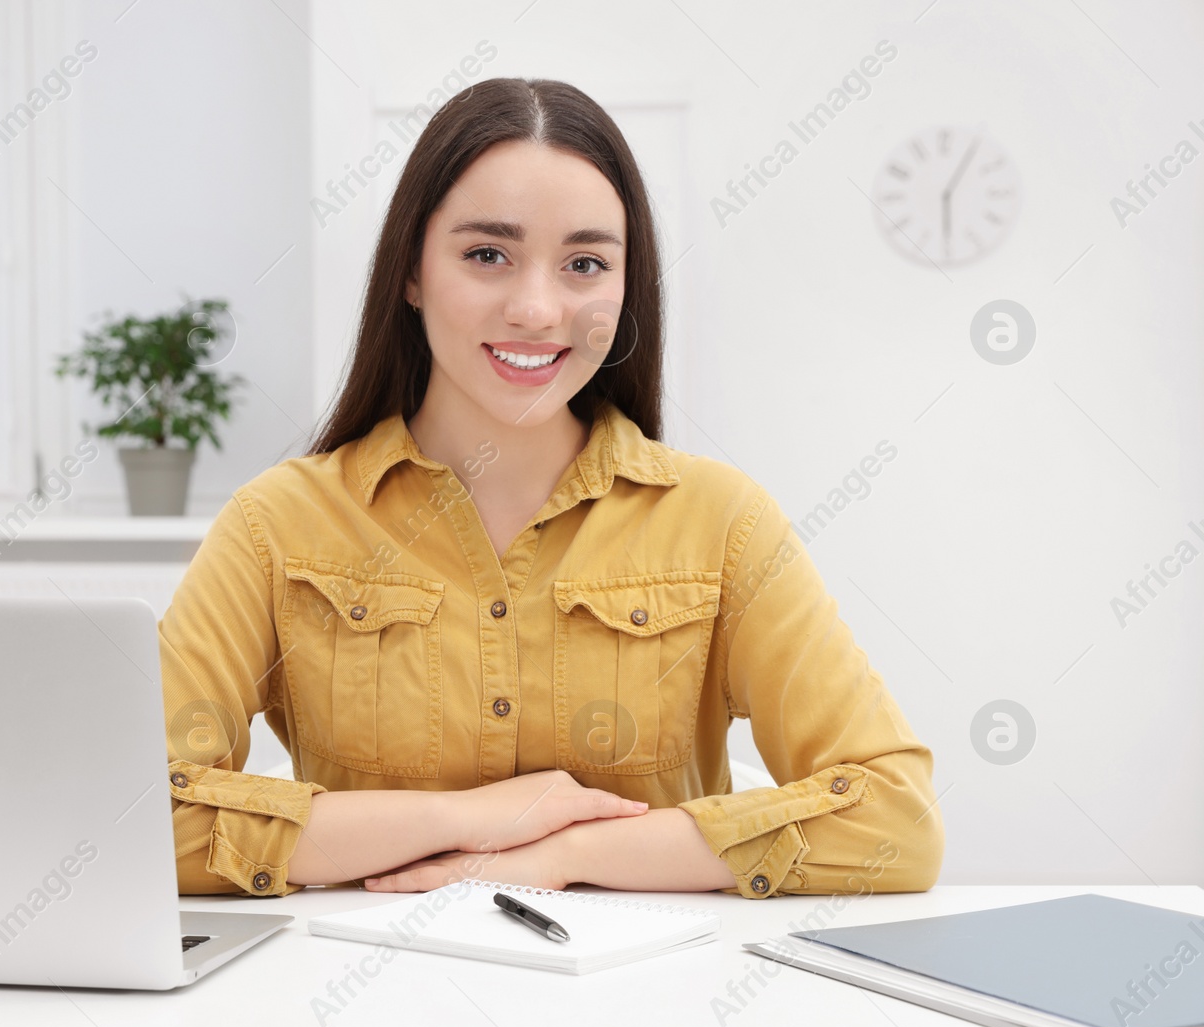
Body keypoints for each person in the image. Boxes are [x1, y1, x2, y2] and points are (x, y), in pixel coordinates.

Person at [158, 77, 943, 900]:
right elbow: (134, 814)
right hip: (369, 1006)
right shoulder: (278, 524)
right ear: (412, 272)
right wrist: (467, 820)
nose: (536, 308)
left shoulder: (720, 522)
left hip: (641, 1012)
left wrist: (563, 856)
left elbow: (897, 823)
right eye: (487, 254)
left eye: (584, 264)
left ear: (625, 290)